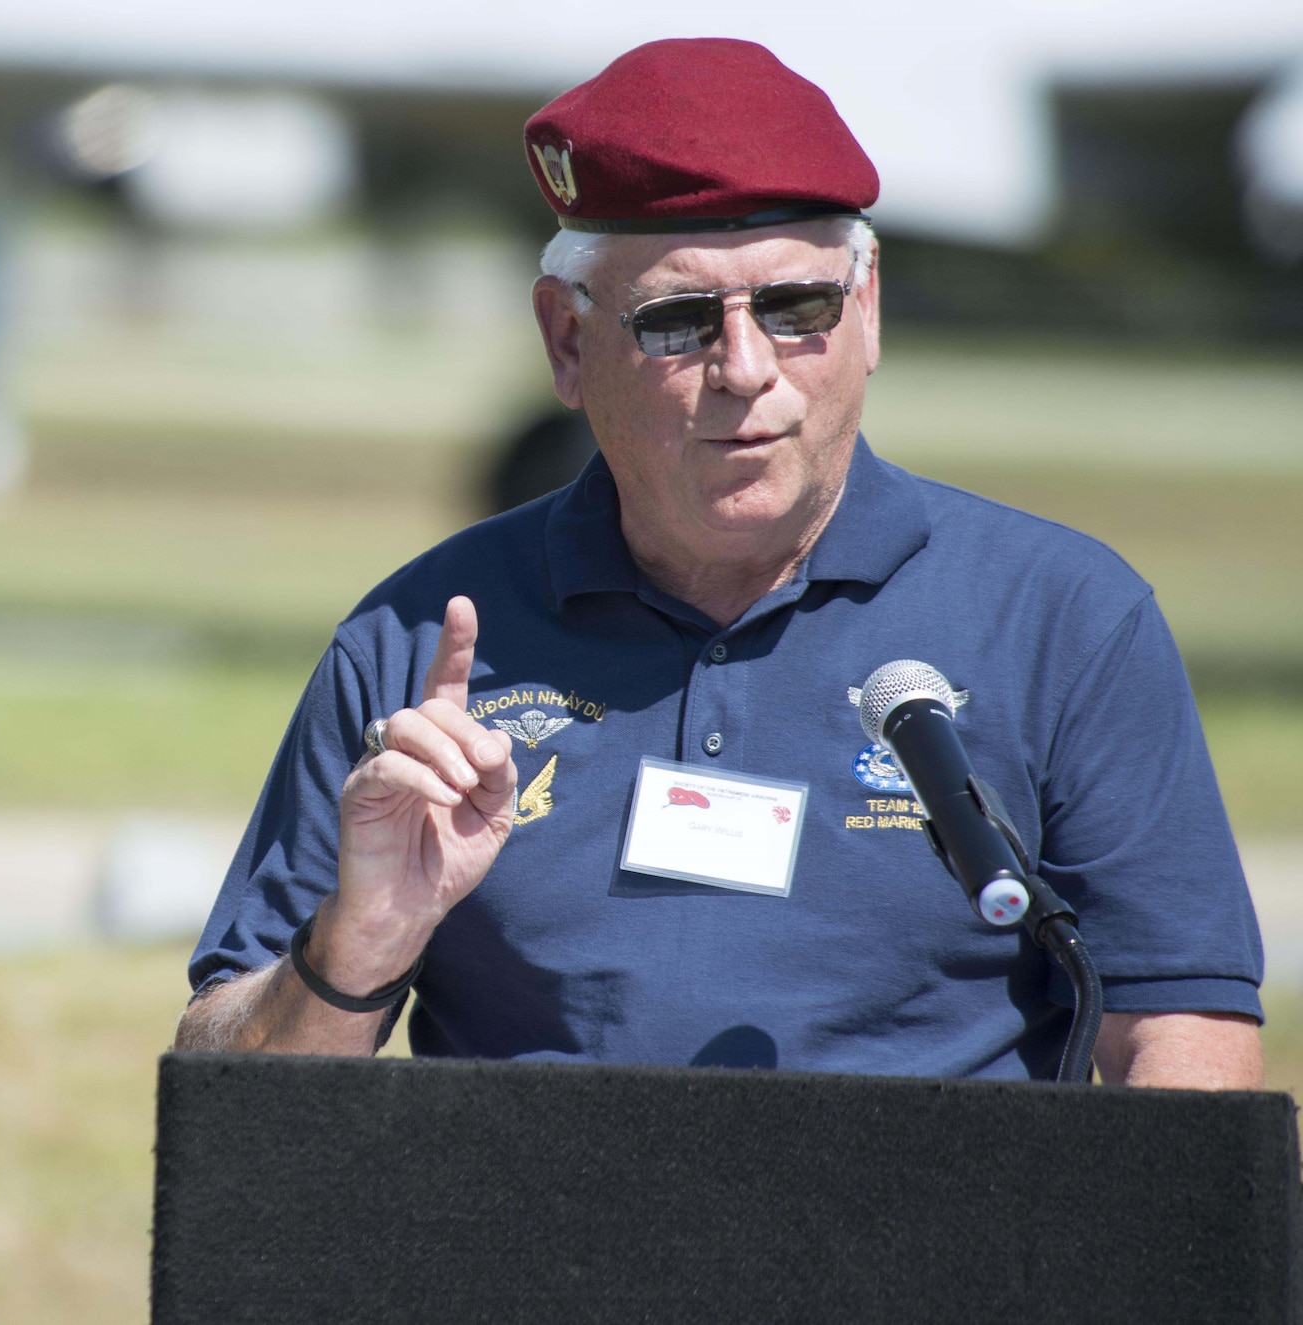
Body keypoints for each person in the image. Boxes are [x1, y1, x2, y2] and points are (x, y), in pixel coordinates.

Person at [175, 38, 1264, 1087]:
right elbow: (229, 1099)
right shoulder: (419, 638)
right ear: (565, 340)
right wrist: (358, 941)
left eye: (797, 309)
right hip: (522, 1269)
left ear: (867, 309)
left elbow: (1179, 1036)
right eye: (679, 320)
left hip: (942, 1267)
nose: (742, 369)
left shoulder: (1062, 619)